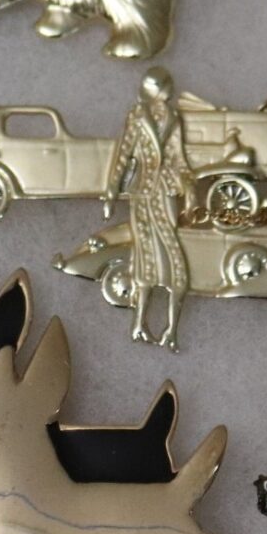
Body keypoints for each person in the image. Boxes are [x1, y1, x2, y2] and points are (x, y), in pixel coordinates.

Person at [103, 67, 192, 348]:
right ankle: (139, 324)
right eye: (166, 87)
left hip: (165, 195)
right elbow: (123, 155)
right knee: (144, 258)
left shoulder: (174, 118)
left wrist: (189, 188)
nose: (169, 92)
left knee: (175, 260)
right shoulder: (137, 116)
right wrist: (111, 191)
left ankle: (172, 330)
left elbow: (179, 159)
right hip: (142, 194)